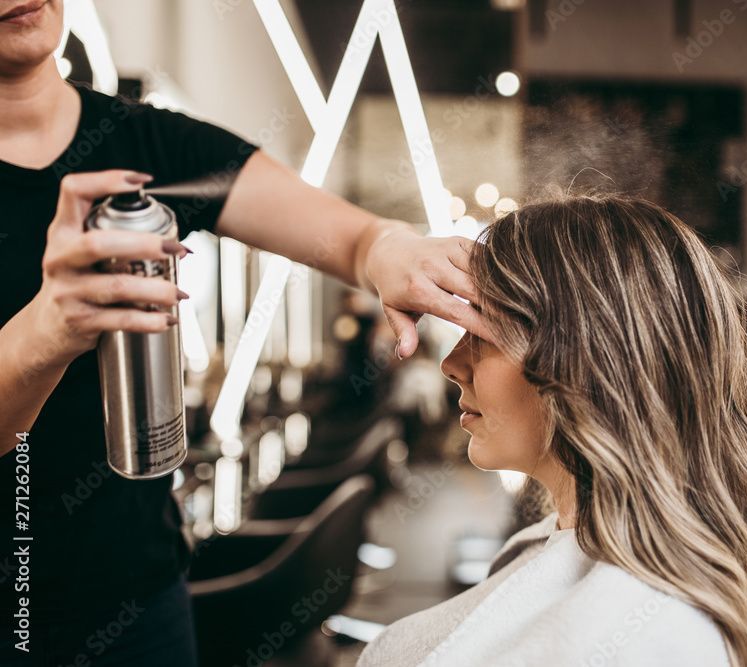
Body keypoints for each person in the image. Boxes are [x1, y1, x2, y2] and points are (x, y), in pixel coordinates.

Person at [0, 0, 486, 665]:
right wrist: (45, 332)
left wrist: (388, 251)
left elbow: (354, 237)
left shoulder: (152, 147)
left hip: (136, 603)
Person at [358, 195, 747, 667]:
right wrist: (377, 248)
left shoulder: (635, 639)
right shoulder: (580, 570)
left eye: (483, 330)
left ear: (587, 363)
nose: (452, 364)